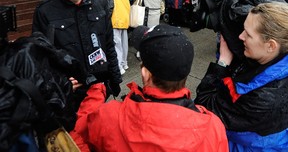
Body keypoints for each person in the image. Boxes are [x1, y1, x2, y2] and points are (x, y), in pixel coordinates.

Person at [69, 24, 229, 152]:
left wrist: (96, 90)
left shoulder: (110, 117)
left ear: (145, 73)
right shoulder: (213, 127)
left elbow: (78, 136)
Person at [32, 0, 122, 112]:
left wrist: (115, 81)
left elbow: (109, 45)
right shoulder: (45, 12)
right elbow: (40, 58)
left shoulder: (100, 2)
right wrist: (61, 83)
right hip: (70, 95)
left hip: (100, 88)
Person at [195, 2, 288, 151]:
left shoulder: (263, 98)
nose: (240, 36)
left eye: (248, 34)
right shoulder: (272, 61)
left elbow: (205, 108)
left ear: (271, 46)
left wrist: (222, 63)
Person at [104, 0, 130, 75]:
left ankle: (119, 67)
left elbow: (108, 8)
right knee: (124, 45)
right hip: (124, 21)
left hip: (114, 21)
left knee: (116, 46)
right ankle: (124, 63)